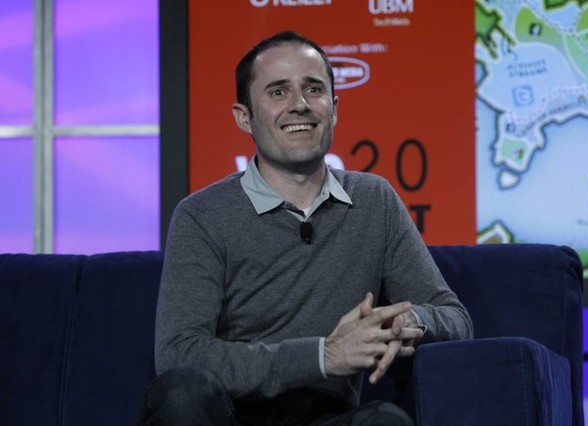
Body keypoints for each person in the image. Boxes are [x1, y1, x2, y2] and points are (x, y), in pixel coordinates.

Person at [141, 31, 473, 426]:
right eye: (278, 92)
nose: (299, 105)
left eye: (313, 89)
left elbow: (455, 319)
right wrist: (322, 356)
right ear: (244, 117)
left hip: (327, 417)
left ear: (334, 108)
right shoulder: (202, 215)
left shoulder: (374, 200)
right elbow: (179, 353)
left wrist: (404, 322)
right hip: (230, 416)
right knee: (181, 393)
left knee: (385, 420)